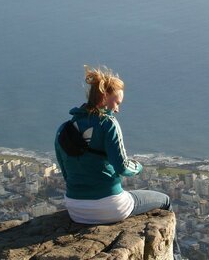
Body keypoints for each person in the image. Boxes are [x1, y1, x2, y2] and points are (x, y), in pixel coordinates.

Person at [54, 65, 179, 244]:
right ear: (104, 97)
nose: (118, 109)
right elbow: (122, 167)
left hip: (75, 209)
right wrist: (138, 166)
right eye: (117, 102)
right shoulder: (108, 123)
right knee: (165, 200)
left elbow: (65, 171)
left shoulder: (63, 129)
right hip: (109, 206)